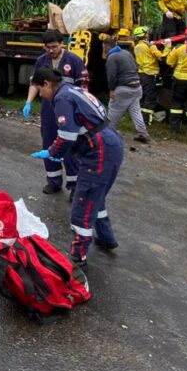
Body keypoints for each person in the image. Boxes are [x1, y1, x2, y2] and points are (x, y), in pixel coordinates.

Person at [29, 67, 124, 269]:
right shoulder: (72, 89)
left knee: (83, 202)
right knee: (95, 196)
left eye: (39, 90)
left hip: (99, 150)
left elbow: (67, 136)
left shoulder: (62, 99)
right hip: (110, 142)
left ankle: (77, 256)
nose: (41, 96)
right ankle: (107, 238)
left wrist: (53, 153)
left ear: (46, 84)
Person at [23, 30, 88, 194]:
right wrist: (28, 102)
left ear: (62, 44)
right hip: (48, 110)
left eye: (54, 47)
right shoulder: (42, 61)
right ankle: (53, 180)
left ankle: (75, 186)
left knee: (69, 146)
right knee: (49, 143)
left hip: (69, 110)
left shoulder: (74, 61)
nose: (51, 50)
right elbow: (35, 84)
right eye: (48, 48)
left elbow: (84, 88)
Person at [103, 30, 150, 143]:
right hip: (137, 87)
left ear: (106, 46)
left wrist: (112, 89)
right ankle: (143, 133)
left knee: (114, 111)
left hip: (123, 88)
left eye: (103, 47)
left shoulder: (112, 57)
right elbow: (135, 66)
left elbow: (111, 76)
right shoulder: (126, 53)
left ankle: (107, 134)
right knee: (135, 111)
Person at [133, 26, 165, 124]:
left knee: (142, 97)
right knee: (150, 98)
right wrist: (167, 46)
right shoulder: (150, 46)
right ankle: (145, 120)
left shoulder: (137, 46)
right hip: (150, 74)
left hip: (141, 73)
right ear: (145, 35)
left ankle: (138, 119)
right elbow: (161, 57)